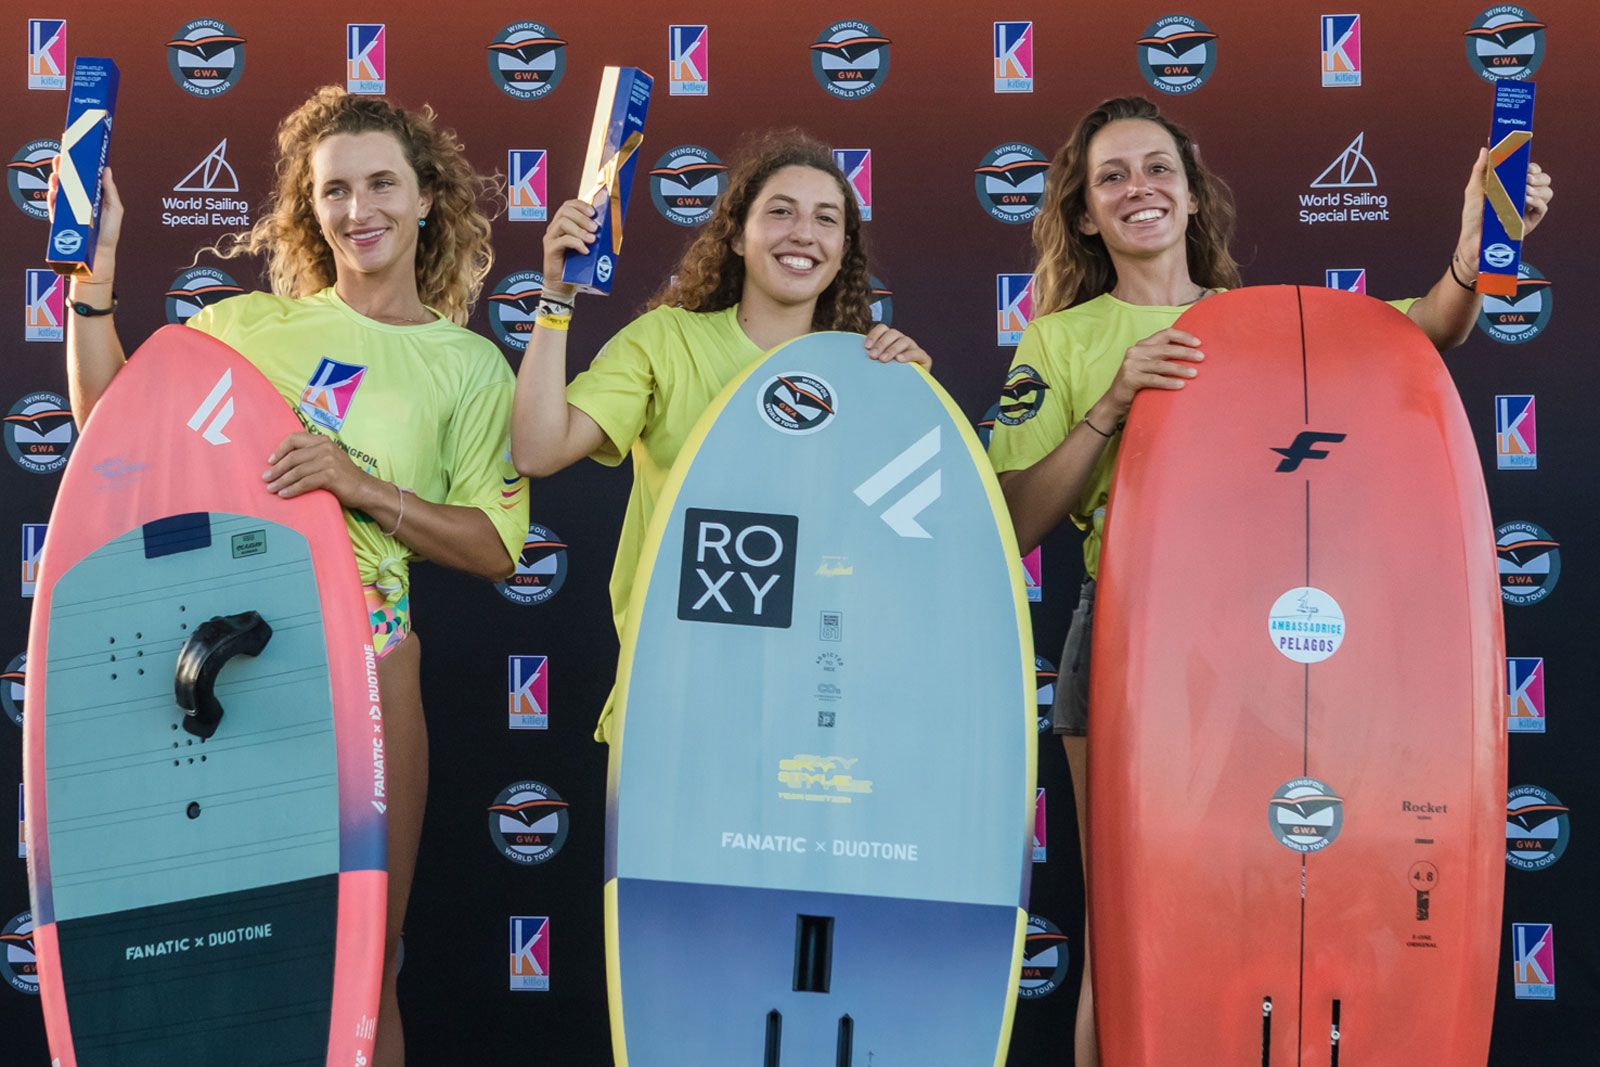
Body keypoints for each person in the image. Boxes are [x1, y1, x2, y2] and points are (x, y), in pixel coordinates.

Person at [987, 95, 1554, 1066]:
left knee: (1293, 913)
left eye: (1157, 169)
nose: (1138, 189)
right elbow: (1014, 517)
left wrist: (1474, 252)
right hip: (1136, 654)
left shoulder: (1274, 323)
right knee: (1133, 936)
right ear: (1083, 213)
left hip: (1291, 656)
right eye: (1111, 176)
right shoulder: (1062, 339)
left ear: (1191, 194)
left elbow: (1426, 331)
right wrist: (1114, 400)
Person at [51, 86, 529, 1066]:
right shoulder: (243, 326)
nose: (360, 209)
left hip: (367, 662)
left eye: (382, 184)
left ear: (426, 196)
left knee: (358, 964)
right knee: (218, 963)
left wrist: (359, 484)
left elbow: (494, 545)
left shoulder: (469, 365)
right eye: (335, 190)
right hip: (227, 662)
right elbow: (110, 430)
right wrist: (93, 285)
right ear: (311, 209)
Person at [511, 130, 929, 744]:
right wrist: (556, 297)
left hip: (817, 703)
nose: (803, 233)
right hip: (675, 697)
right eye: (780, 212)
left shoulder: (869, 373)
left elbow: (906, 552)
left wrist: (915, 410)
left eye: (826, 219)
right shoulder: (666, 341)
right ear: (736, 235)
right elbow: (537, 450)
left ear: (843, 250)